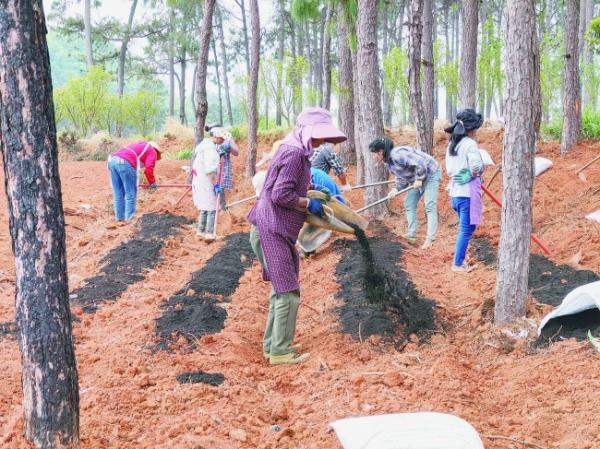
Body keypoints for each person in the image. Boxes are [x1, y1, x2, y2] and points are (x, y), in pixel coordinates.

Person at [248, 107, 346, 366]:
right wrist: (305, 203)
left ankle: (274, 345)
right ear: (308, 132)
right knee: (288, 293)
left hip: (274, 227)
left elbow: (289, 184)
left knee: (280, 291)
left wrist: (314, 191)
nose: (322, 142)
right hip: (272, 229)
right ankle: (280, 351)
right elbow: (281, 194)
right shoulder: (293, 153)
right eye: (319, 137)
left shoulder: (296, 150)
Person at [368, 138, 441, 250]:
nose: (373, 157)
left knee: (430, 206)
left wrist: (419, 179)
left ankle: (430, 239)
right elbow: (401, 177)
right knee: (409, 203)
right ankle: (411, 235)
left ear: (380, 152)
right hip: (416, 178)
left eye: (374, 154)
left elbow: (420, 163)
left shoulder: (397, 154)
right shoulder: (388, 162)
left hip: (430, 172)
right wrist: (396, 189)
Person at [444, 109, 485, 273]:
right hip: (467, 194)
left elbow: (449, 170)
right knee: (466, 229)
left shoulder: (452, 145)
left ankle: (460, 260)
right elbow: (476, 167)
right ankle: (458, 263)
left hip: (455, 194)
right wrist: (475, 173)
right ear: (472, 128)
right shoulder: (470, 144)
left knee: (468, 228)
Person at [192, 126, 232, 240]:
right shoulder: (210, 150)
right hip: (206, 181)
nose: (222, 141)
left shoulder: (205, 147)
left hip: (200, 181)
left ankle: (200, 231)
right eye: (221, 138)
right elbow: (210, 170)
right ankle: (209, 233)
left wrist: (219, 154)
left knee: (204, 206)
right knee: (211, 207)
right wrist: (215, 185)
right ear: (215, 137)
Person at [108, 140, 161, 222]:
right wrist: (152, 182)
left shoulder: (138, 146)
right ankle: (130, 219)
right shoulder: (152, 151)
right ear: (156, 151)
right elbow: (149, 168)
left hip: (112, 161)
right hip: (124, 162)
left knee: (118, 193)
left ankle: (119, 219)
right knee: (130, 193)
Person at [205, 123, 239, 210]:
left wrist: (229, 147)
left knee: (222, 188)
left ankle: (222, 208)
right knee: (212, 186)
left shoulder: (227, 138)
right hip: (212, 166)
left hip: (224, 166)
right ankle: (213, 208)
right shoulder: (209, 141)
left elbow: (236, 152)